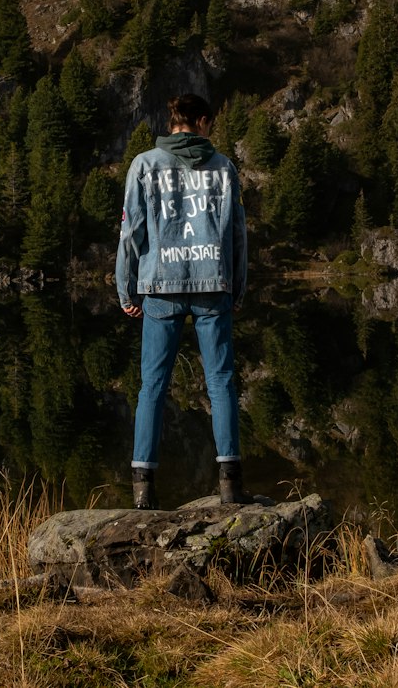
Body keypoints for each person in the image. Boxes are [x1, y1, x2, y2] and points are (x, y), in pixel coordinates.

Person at [116, 93, 248, 510]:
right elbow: (238, 235)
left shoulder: (144, 165)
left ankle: (143, 489)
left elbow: (130, 233)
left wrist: (126, 288)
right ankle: (229, 485)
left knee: (152, 387)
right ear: (203, 122)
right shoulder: (223, 168)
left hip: (160, 286)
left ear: (173, 122)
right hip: (213, 286)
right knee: (222, 383)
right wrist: (237, 286)